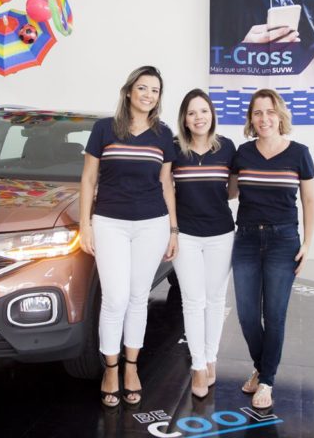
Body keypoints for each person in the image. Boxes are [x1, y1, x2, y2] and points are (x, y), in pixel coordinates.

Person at [79, 66, 179, 408]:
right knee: (115, 299)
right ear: (128, 92)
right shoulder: (104, 129)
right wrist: (85, 224)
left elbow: (167, 184)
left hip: (152, 223)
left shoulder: (163, 135)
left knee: (138, 298)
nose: (148, 95)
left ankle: (132, 366)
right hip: (110, 222)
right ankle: (111, 369)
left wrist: (173, 229)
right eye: (142, 88)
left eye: (154, 90)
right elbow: (88, 180)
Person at [231, 88, 314, 410]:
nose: (263, 118)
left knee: (274, 315)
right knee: (247, 315)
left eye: (269, 112)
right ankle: (261, 365)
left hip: (283, 241)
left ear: (280, 115)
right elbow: (229, 191)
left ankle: (266, 380)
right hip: (247, 239)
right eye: (257, 113)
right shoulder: (243, 153)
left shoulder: (299, 153)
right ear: (251, 119)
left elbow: (309, 200)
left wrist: (307, 243)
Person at [171, 89, 237, 398]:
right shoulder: (175, 150)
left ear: (212, 115)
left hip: (221, 234)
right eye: (192, 112)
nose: (199, 117)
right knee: (193, 302)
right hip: (186, 235)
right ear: (184, 118)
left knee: (215, 302)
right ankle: (198, 365)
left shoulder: (227, 148)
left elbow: (233, 190)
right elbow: (164, 188)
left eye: (204, 111)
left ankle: (211, 359)